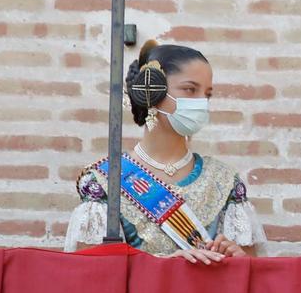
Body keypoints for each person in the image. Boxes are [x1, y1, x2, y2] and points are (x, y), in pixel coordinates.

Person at [64, 40, 262, 262]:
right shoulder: (106, 180)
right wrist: (164, 267)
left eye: (207, 94)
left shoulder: (224, 181)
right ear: (152, 91)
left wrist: (237, 259)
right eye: (190, 89)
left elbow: (252, 277)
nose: (201, 103)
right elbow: (90, 276)